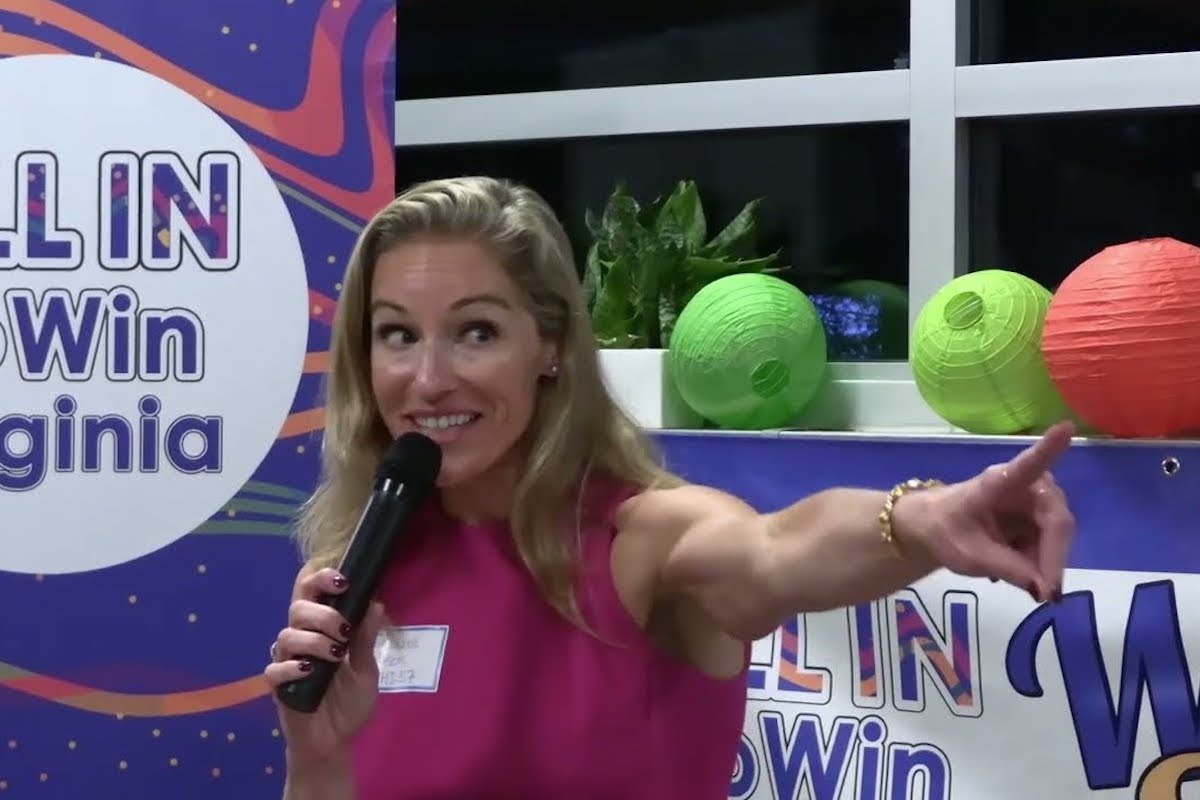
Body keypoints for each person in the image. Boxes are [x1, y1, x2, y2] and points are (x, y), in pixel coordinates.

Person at [263, 176, 1077, 799]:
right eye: (397, 335)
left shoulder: (641, 541)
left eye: (477, 332)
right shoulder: (359, 572)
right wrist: (318, 757)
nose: (430, 378)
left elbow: (776, 549)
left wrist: (924, 517)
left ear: (548, 345)